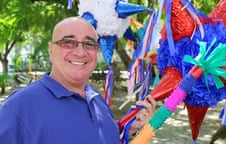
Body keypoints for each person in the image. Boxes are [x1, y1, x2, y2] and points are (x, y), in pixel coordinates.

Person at [0, 17, 156, 144]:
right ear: (51, 50)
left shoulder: (96, 99)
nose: (80, 52)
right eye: (68, 42)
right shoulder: (20, 107)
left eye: (89, 44)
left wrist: (130, 128)